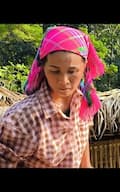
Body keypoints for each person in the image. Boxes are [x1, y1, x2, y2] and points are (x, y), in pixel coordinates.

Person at [0, 26, 105, 168]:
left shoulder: (84, 105)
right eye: (55, 71)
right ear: (43, 66)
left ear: (85, 67)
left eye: (72, 71)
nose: (64, 81)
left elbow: (85, 164)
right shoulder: (21, 121)